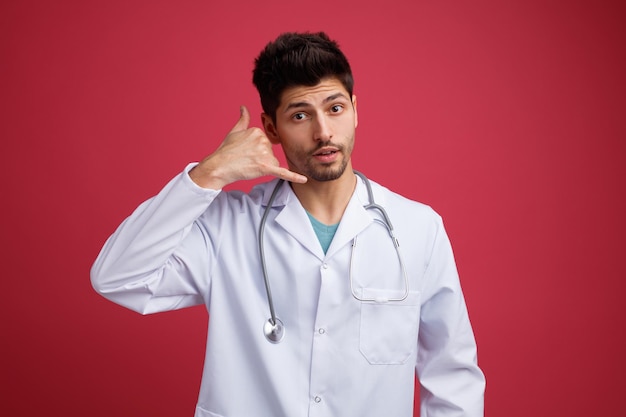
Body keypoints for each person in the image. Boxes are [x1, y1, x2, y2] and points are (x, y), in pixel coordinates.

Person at [91, 31, 485, 417]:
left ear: (354, 109)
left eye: (335, 108)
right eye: (301, 115)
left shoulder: (417, 229)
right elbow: (117, 276)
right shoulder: (228, 225)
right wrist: (208, 174)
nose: (324, 132)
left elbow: (452, 376)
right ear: (272, 128)